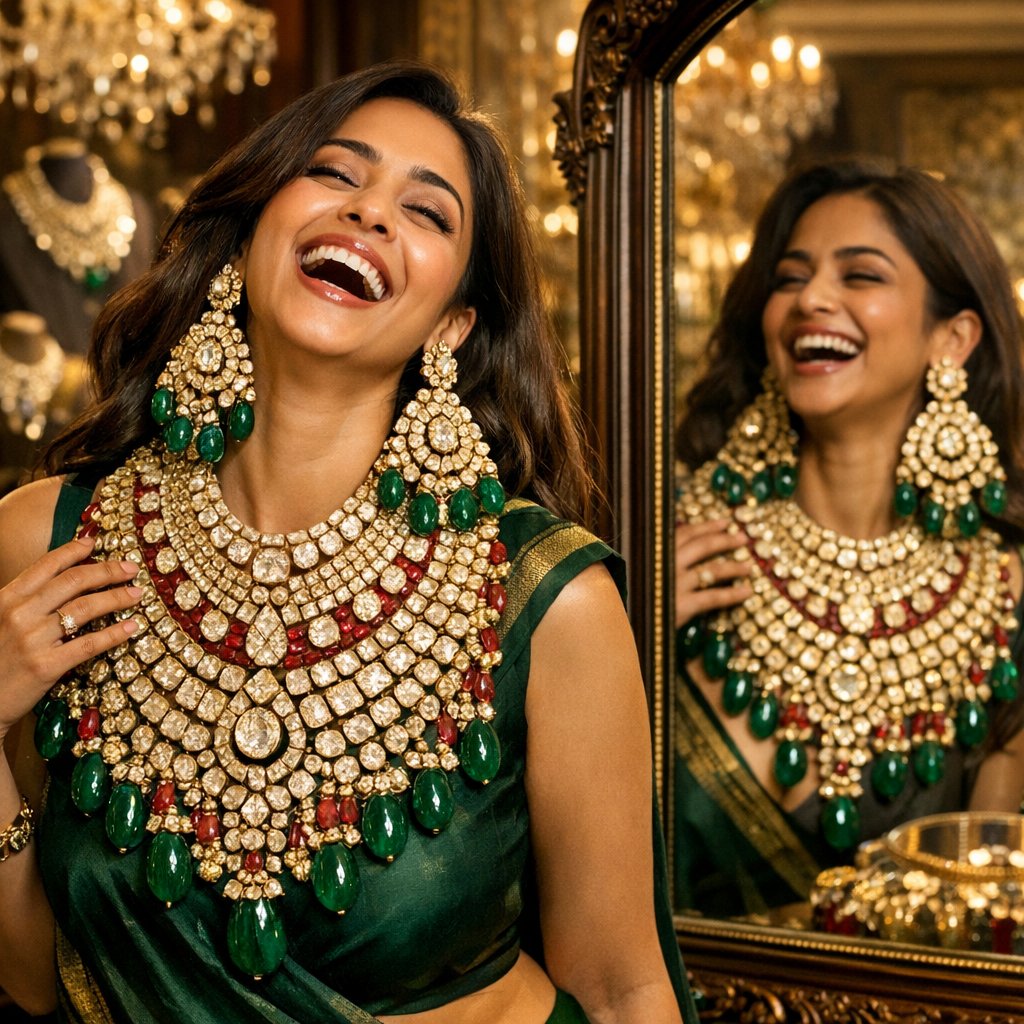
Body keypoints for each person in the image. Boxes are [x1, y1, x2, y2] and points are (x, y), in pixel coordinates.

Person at [0, 61, 693, 1024]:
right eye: (336, 174)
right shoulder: (50, 540)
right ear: (245, 242)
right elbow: (40, 978)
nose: (369, 214)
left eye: (428, 212)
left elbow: (623, 990)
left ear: (452, 325)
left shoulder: (543, 596)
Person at [672, 157, 1024, 919]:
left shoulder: (1005, 599)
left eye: (860, 276)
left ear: (953, 338)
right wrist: (615, 639)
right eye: (791, 278)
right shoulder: (671, 541)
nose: (812, 301)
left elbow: (984, 917)